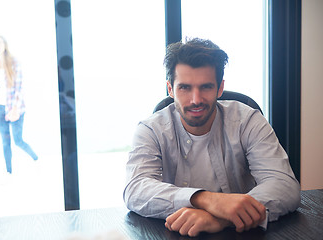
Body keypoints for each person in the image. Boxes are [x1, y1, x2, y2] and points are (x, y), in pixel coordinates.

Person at [123, 38, 300, 237]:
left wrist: (221, 218)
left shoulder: (248, 120)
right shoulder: (150, 129)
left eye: (206, 87)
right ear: (170, 89)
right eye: (185, 88)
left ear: (220, 88)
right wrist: (207, 200)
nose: (195, 99)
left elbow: (285, 185)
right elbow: (136, 189)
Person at [0, 35, 38, 175]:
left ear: (4, 44)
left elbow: (19, 88)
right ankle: (9, 172)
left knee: (18, 140)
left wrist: (15, 108)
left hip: (15, 108)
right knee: (5, 142)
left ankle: (36, 159)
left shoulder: (14, 62)